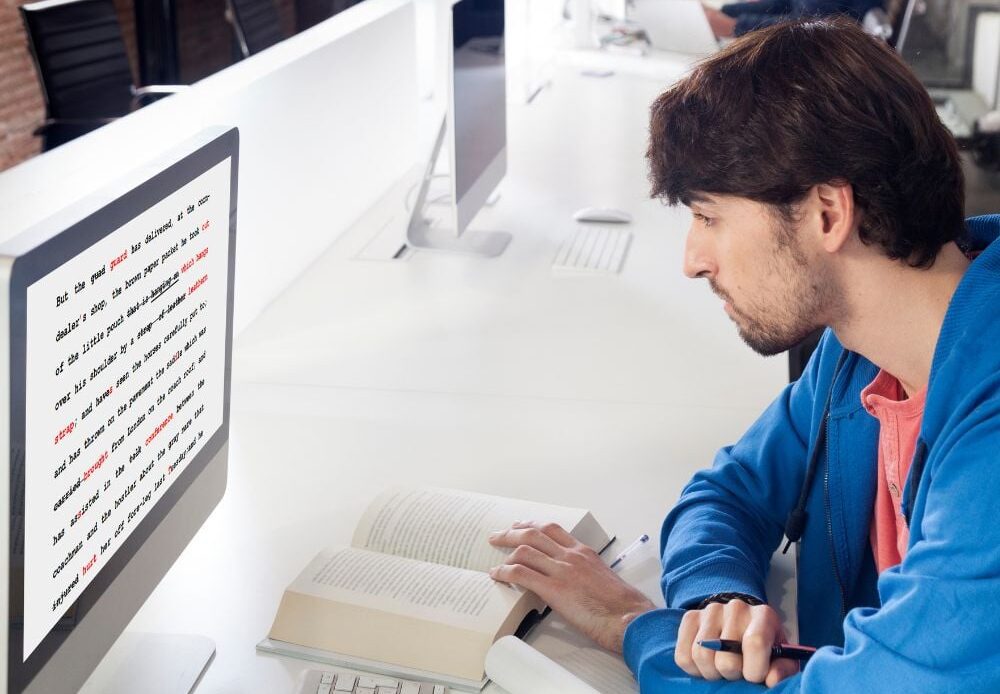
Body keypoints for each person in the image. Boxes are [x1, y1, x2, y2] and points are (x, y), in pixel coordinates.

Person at [486, 17, 1000, 692]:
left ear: (825, 213)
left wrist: (637, 627)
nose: (692, 261)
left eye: (709, 217)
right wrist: (716, 609)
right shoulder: (863, 348)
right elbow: (726, 495)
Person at [704, 0, 882, 38]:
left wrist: (735, 25)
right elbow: (786, 4)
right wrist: (728, 11)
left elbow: (807, 25)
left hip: (836, 44)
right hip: (816, 29)